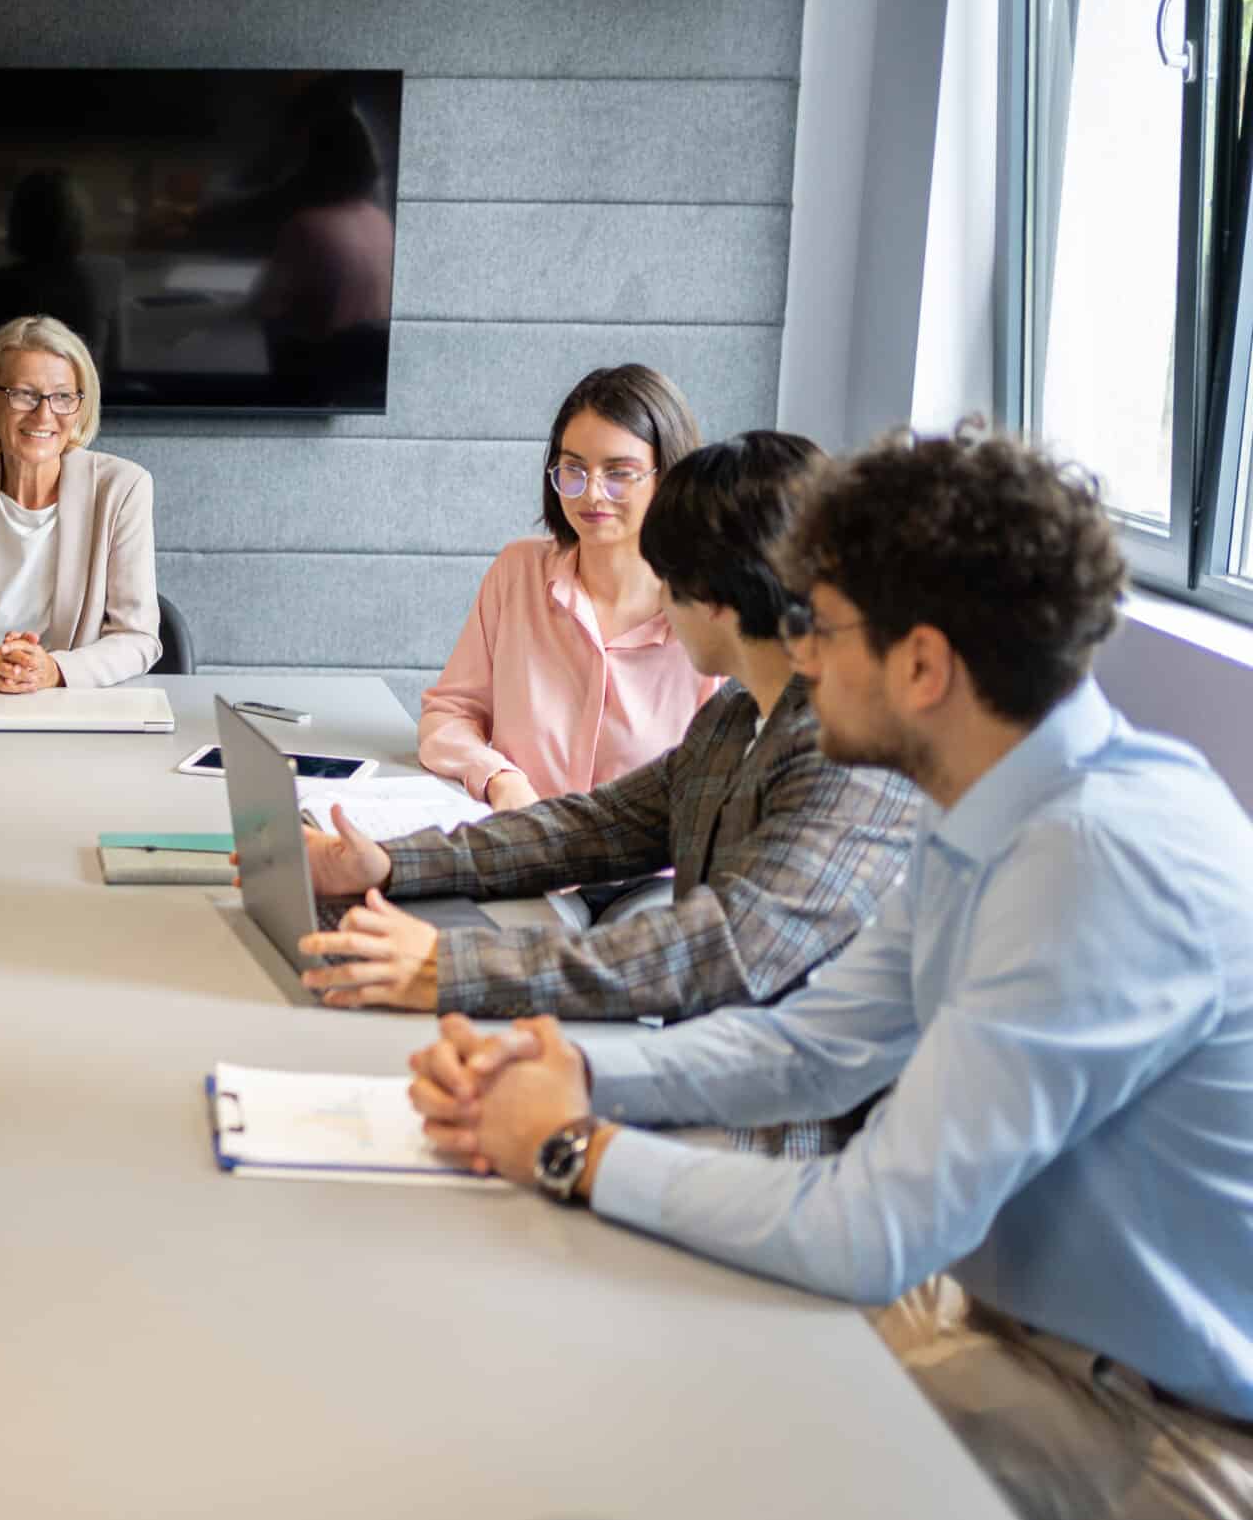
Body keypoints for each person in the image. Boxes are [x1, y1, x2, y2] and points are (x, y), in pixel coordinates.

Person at [409, 428, 1253, 1520]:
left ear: (921, 668)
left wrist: (567, 1148)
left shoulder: (1097, 861)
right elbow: (811, 1045)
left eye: (819, 625)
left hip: (1166, 1434)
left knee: (650, 1463)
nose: (794, 653)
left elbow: (869, 1234)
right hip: (1019, 1338)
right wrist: (565, 1076)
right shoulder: (994, 804)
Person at [298, 436, 922, 1095]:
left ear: (709, 597)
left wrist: (448, 964)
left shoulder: (852, 753)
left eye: (666, 582)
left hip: (775, 1128)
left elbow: (720, 946)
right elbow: (584, 829)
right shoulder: (733, 721)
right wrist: (392, 863)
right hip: (695, 1075)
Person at [417, 366, 721, 812]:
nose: (591, 494)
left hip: (645, 877)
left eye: (619, 473)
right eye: (573, 469)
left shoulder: (711, 615)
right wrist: (499, 779)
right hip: (516, 850)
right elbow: (449, 715)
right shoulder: (517, 572)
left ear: (667, 477)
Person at [0, 314, 159, 692]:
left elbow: (139, 638)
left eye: (62, 396)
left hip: (77, 707)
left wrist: (53, 670)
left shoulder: (122, 488)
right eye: (24, 394)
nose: (44, 415)